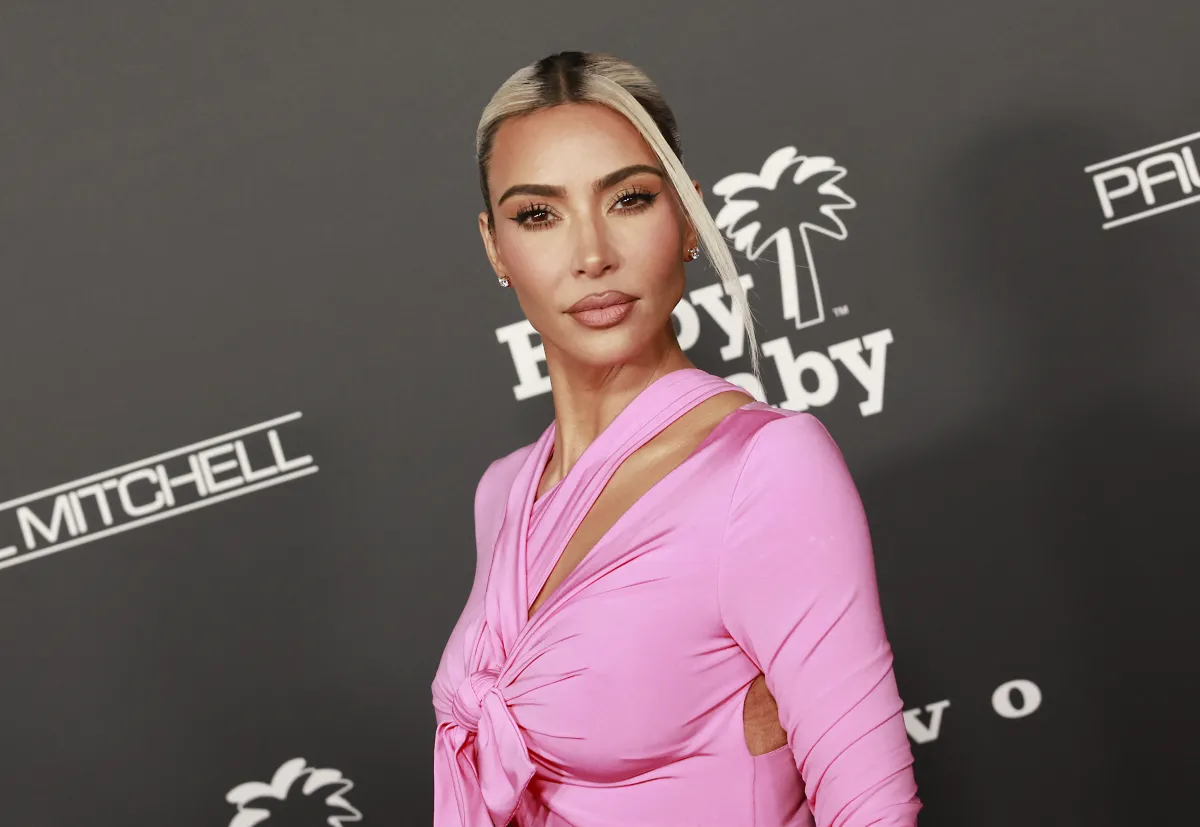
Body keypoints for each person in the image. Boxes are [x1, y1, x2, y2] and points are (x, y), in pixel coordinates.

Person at [430, 50, 921, 827]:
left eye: (627, 199)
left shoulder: (764, 468)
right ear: (496, 247)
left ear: (688, 216)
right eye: (538, 214)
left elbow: (874, 810)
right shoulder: (504, 492)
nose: (592, 254)